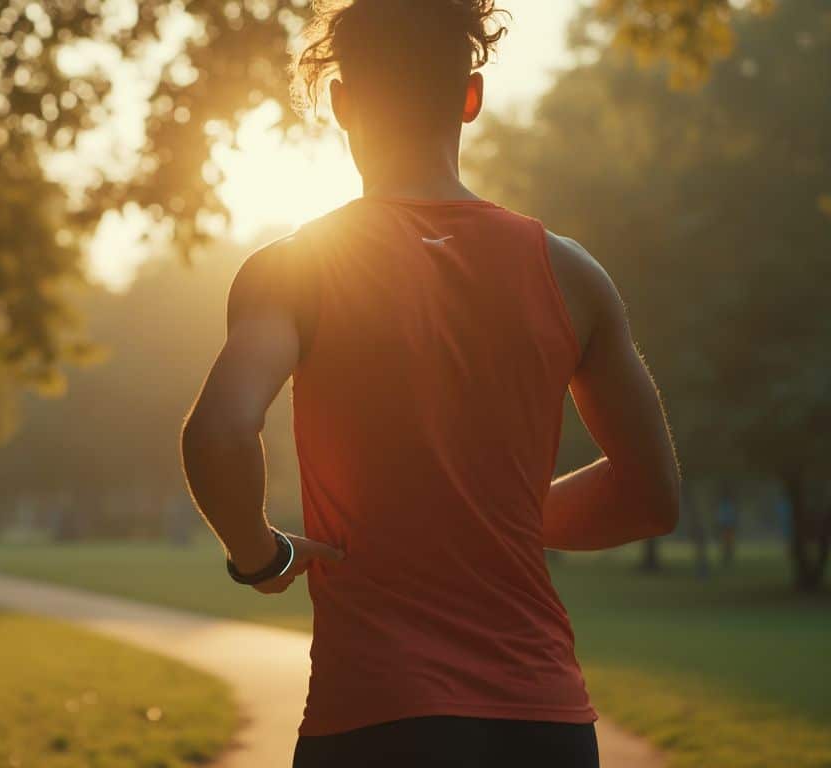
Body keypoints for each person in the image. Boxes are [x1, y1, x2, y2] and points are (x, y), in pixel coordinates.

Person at [178, 1, 682, 766]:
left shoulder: (294, 270)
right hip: (544, 724)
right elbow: (651, 496)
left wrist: (262, 557)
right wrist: (489, 514)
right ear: (471, 97)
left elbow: (218, 434)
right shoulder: (572, 274)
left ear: (342, 103)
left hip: (378, 721)